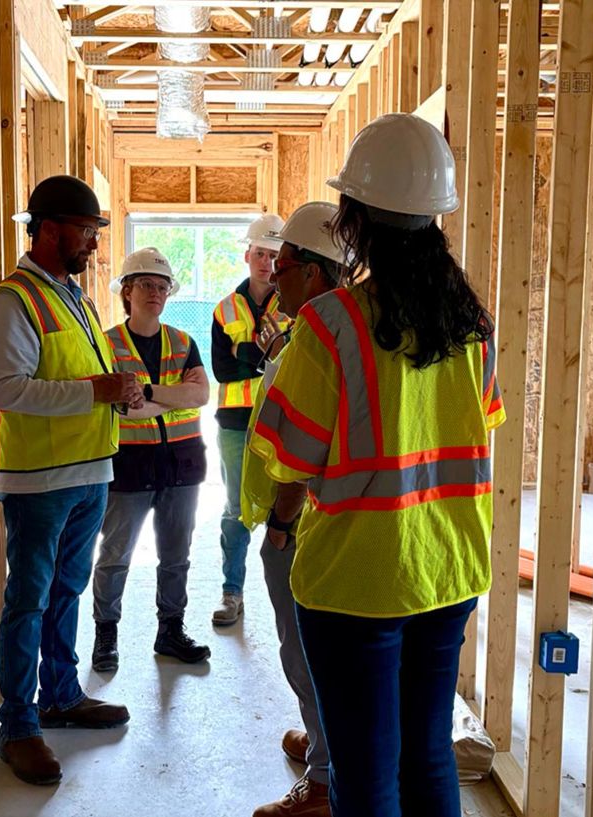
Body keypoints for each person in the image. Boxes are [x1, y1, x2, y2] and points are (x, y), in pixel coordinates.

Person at [248, 114, 507, 817]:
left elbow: (289, 458)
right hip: (448, 567)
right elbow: (477, 426)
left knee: (365, 773)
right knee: (426, 754)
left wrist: (277, 523)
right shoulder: (470, 324)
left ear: (353, 220)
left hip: (355, 578)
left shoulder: (331, 323)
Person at [0, 175, 142, 787]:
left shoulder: (75, 296)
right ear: (49, 229)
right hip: (37, 483)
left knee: (66, 592)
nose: (93, 244)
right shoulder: (12, 301)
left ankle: (62, 696)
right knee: (28, 602)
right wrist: (96, 390)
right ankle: (19, 726)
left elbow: (81, 373)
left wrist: (115, 391)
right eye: (86, 231)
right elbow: (6, 390)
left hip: (89, 472)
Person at [240, 202, 349, 817]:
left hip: (304, 522)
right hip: (316, 519)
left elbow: (301, 452)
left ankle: (326, 777)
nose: (271, 276)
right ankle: (326, 742)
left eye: (281, 264)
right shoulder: (323, 332)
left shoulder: (315, 341)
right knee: (316, 648)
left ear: (312, 272)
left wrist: (280, 524)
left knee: (303, 649)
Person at [91, 247, 211, 671]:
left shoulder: (182, 341)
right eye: (146, 284)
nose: (155, 293)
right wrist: (176, 397)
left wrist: (152, 392)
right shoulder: (107, 345)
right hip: (128, 466)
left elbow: (201, 395)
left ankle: (171, 631)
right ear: (127, 290)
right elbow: (127, 408)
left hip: (181, 465)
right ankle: (106, 633)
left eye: (162, 287)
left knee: (176, 555)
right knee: (115, 555)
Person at [211, 213, 291, 626]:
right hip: (236, 421)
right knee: (236, 508)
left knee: (290, 504)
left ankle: (294, 592)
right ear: (247, 254)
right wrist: (264, 354)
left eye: (275, 255)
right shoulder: (225, 308)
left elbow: (296, 358)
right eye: (261, 253)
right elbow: (223, 370)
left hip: (284, 418)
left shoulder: (296, 302)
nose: (267, 262)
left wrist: (249, 355)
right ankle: (232, 591)